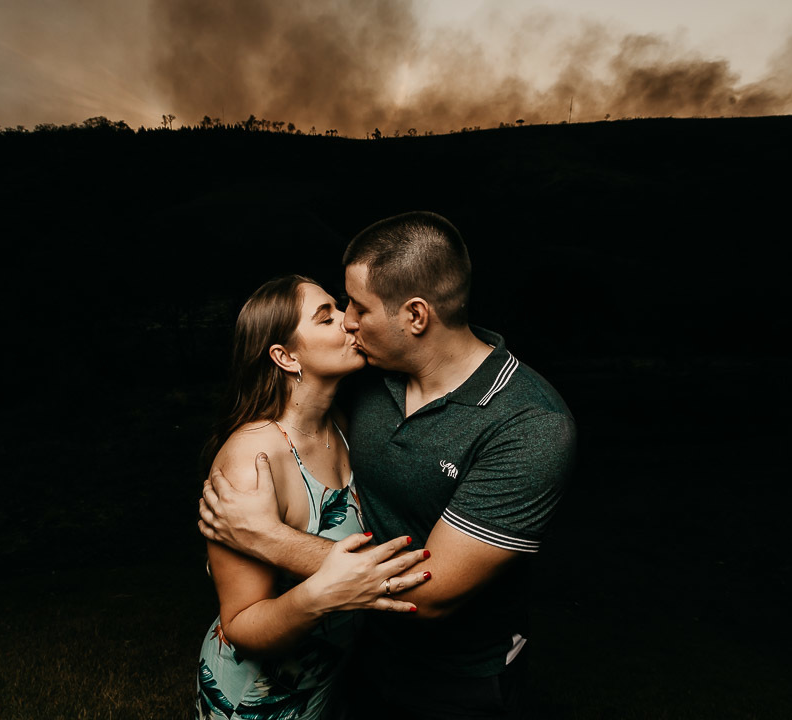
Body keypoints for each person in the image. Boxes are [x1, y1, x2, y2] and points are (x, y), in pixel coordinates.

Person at [199, 213, 576, 719]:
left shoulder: (530, 425)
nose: (349, 322)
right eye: (335, 309)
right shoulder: (369, 379)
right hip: (356, 656)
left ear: (416, 316)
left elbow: (435, 591)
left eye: (358, 307)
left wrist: (267, 538)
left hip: (458, 676)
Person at [195, 274, 431, 720]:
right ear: (285, 357)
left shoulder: (342, 424)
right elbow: (241, 626)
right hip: (255, 701)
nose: (350, 321)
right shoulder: (254, 457)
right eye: (327, 318)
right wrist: (322, 595)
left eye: (340, 308)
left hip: (327, 685)